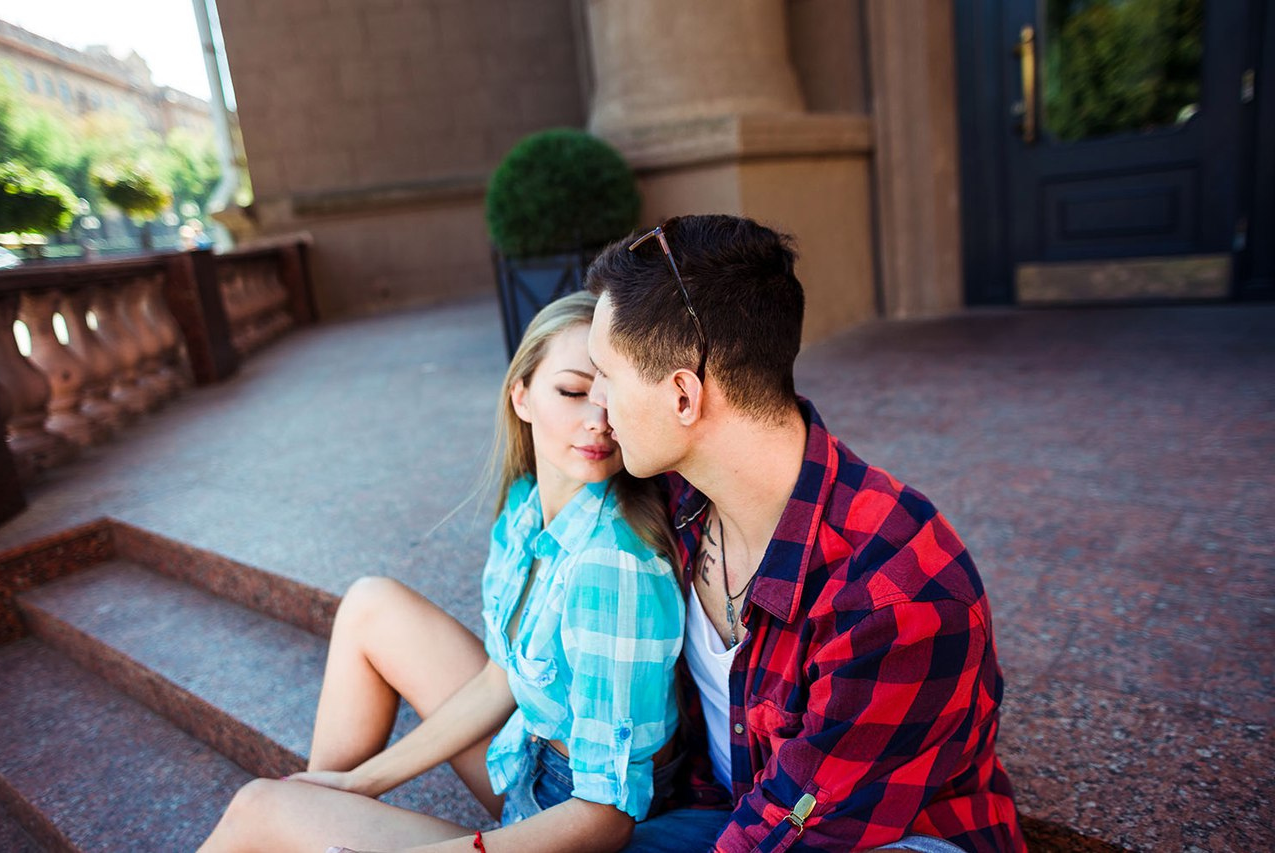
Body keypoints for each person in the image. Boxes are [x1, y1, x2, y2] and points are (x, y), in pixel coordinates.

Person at [583, 215, 1026, 853]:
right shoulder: (680, 498)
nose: (595, 400)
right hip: (735, 812)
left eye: (605, 374)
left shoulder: (898, 593)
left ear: (684, 396)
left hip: (883, 839)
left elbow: (798, 828)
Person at [199, 291, 685, 852]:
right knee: (370, 604)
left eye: (610, 397)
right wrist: (357, 782)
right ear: (521, 396)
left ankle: (303, 821)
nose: (598, 421)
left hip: (577, 827)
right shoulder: (527, 509)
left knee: (258, 806)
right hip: (530, 761)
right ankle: (320, 805)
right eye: (573, 391)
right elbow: (501, 677)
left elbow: (607, 819)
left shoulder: (612, 565)